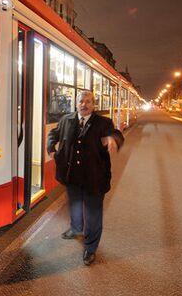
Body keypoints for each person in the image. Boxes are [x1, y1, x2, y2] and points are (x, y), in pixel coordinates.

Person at [47, 90, 124, 266]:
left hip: (95, 177)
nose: (84, 104)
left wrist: (113, 139)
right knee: (74, 205)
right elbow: (53, 135)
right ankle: (76, 229)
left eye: (88, 101)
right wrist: (51, 148)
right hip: (71, 175)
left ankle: (90, 247)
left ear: (94, 105)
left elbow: (116, 134)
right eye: (81, 101)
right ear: (76, 103)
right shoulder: (66, 119)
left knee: (93, 213)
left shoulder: (104, 123)